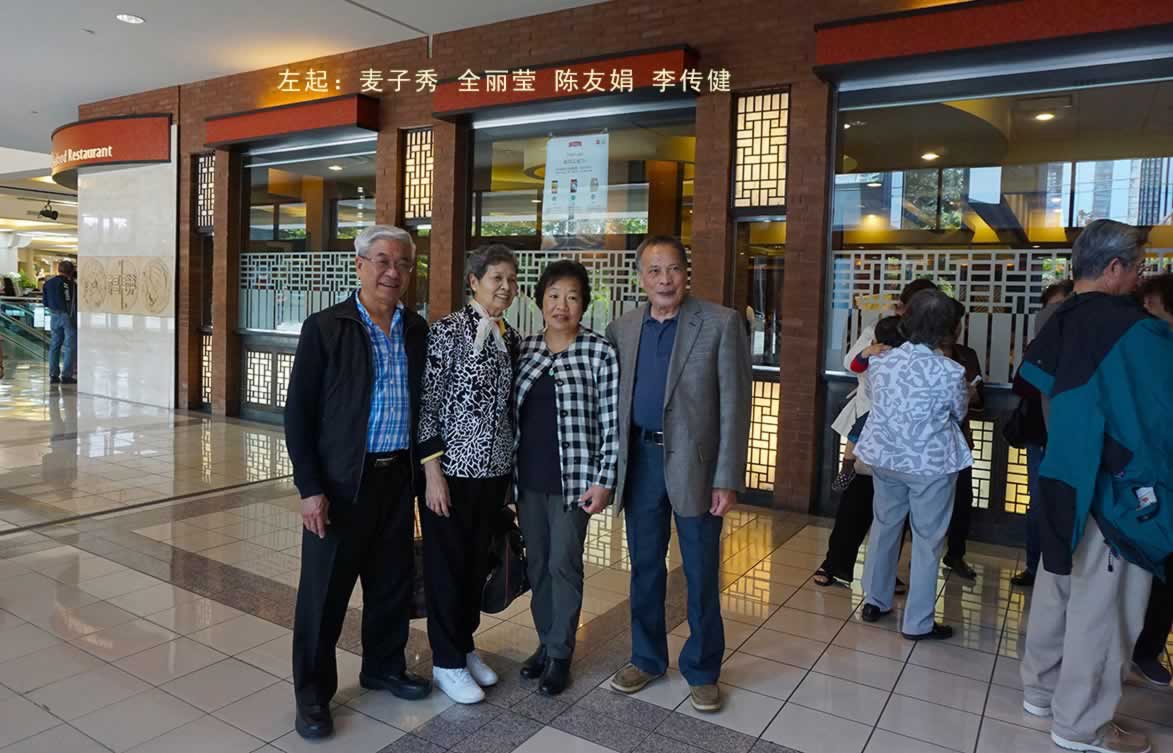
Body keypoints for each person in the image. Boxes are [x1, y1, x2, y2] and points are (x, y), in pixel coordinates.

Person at [1018, 219, 1173, 753]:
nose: (1140, 278)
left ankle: (1040, 692)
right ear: (1113, 268)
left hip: (1063, 474)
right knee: (1105, 609)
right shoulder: (1135, 331)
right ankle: (1081, 725)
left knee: (1057, 584)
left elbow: (1039, 392)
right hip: (1115, 487)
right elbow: (1157, 418)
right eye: (1137, 267)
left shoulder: (1058, 319)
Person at [284, 225, 432, 741]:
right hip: (342, 483)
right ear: (360, 265)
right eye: (383, 261)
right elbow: (298, 414)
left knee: (391, 583)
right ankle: (312, 696)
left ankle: (384, 666)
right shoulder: (327, 327)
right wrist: (310, 488)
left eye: (404, 263)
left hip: (397, 480)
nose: (394, 272)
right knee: (323, 596)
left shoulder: (417, 329)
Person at [606, 235, 752, 713]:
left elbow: (735, 405)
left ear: (686, 273)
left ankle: (703, 670)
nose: (664, 279)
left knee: (701, 571)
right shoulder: (623, 328)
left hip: (698, 467)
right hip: (641, 463)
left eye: (672, 269)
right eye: (654, 270)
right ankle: (646, 659)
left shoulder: (720, 322)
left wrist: (726, 477)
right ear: (641, 278)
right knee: (645, 568)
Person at [418, 244, 521, 705]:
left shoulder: (510, 337)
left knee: (477, 565)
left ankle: (464, 645)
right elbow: (427, 405)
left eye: (512, 280)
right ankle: (445, 662)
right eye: (497, 278)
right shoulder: (447, 331)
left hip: (493, 474)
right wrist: (432, 472)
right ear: (473, 281)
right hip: (452, 473)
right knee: (447, 567)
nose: (506, 287)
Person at [514, 260, 619, 696]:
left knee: (563, 562)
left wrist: (605, 480)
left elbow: (612, 423)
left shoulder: (599, 352)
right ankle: (545, 642)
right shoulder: (524, 349)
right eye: (554, 295)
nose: (562, 305)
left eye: (572, 297)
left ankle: (560, 654)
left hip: (575, 483)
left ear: (584, 304)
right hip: (527, 480)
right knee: (537, 564)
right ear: (540, 300)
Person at [855, 288, 971, 641]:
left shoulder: (881, 361)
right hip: (930, 463)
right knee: (927, 541)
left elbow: (875, 399)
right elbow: (958, 412)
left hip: (886, 456)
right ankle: (918, 622)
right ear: (949, 329)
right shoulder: (950, 371)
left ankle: (875, 601)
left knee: (884, 525)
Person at [814, 315, 907, 589]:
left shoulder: (918, 349)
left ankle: (884, 573)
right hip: (871, 430)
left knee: (894, 513)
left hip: (901, 442)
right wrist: (869, 350)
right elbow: (851, 363)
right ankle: (837, 564)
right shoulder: (875, 337)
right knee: (856, 503)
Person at [831, 279, 938, 492]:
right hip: (873, 416)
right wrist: (869, 351)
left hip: (909, 434)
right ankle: (847, 469)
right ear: (904, 307)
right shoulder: (882, 330)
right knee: (865, 491)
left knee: (894, 496)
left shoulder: (931, 340)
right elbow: (851, 364)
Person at [1011, 280, 1075, 588]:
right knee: (1038, 503)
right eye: (1051, 308)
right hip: (1039, 435)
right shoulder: (1039, 346)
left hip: (1073, 438)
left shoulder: (1086, 346)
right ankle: (1035, 566)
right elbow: (1021, 386)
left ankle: (1064, 570)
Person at [1129, 273, 1173, 687]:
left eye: (1151, 304)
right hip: (1140, 480)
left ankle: (1146, 649)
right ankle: (1129, 648)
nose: (1144, 311)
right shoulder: (1141, 350)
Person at [940, 298, 985, 581]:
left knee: (962, 501)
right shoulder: (923, 355)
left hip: (959, 441)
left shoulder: (966, 355)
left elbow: (981, 401)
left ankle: (955, 554)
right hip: (927, 445)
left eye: (957, 323)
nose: (955, 329)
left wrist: (973, 395)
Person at [43, 260, 77, 385]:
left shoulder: (48, 283)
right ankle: (67, 375)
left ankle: (53, 375)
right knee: (70, 346)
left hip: (54, 315)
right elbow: (72, 302)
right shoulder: (70, 284)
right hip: (68, 315)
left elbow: (45, 302)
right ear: (71, 271)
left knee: (54, 345)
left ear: (59, 269)